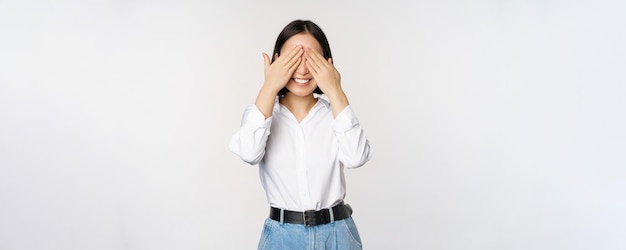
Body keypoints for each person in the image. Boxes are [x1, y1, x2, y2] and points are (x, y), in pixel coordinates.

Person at [229, 19, 373, 250]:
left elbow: (357, 157)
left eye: (311, 60)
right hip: (282, 237)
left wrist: (336, 90)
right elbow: (248, 153)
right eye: (293, 59)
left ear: (327, 63)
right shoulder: (262, 113)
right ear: (277, 62)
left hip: (337, 235)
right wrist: (269, 86)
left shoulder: (335, 114)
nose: (303, 69)